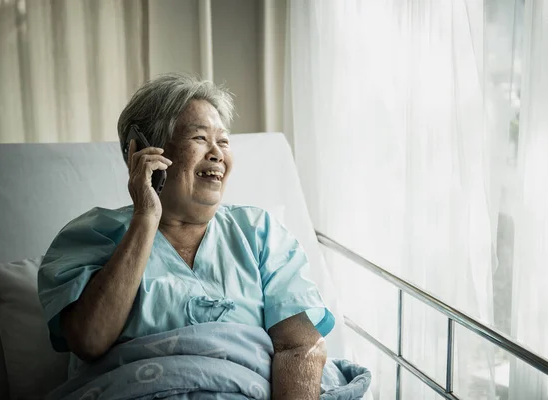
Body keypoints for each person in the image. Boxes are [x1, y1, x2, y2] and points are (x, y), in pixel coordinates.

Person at [37, 73, 335, 399]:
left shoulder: (259, 234)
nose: (217, 154)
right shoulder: (94, 235)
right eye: (199, 138)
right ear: (143, 150)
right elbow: (90, 340)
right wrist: (145, 217)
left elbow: (298, 346)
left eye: (222, 141)